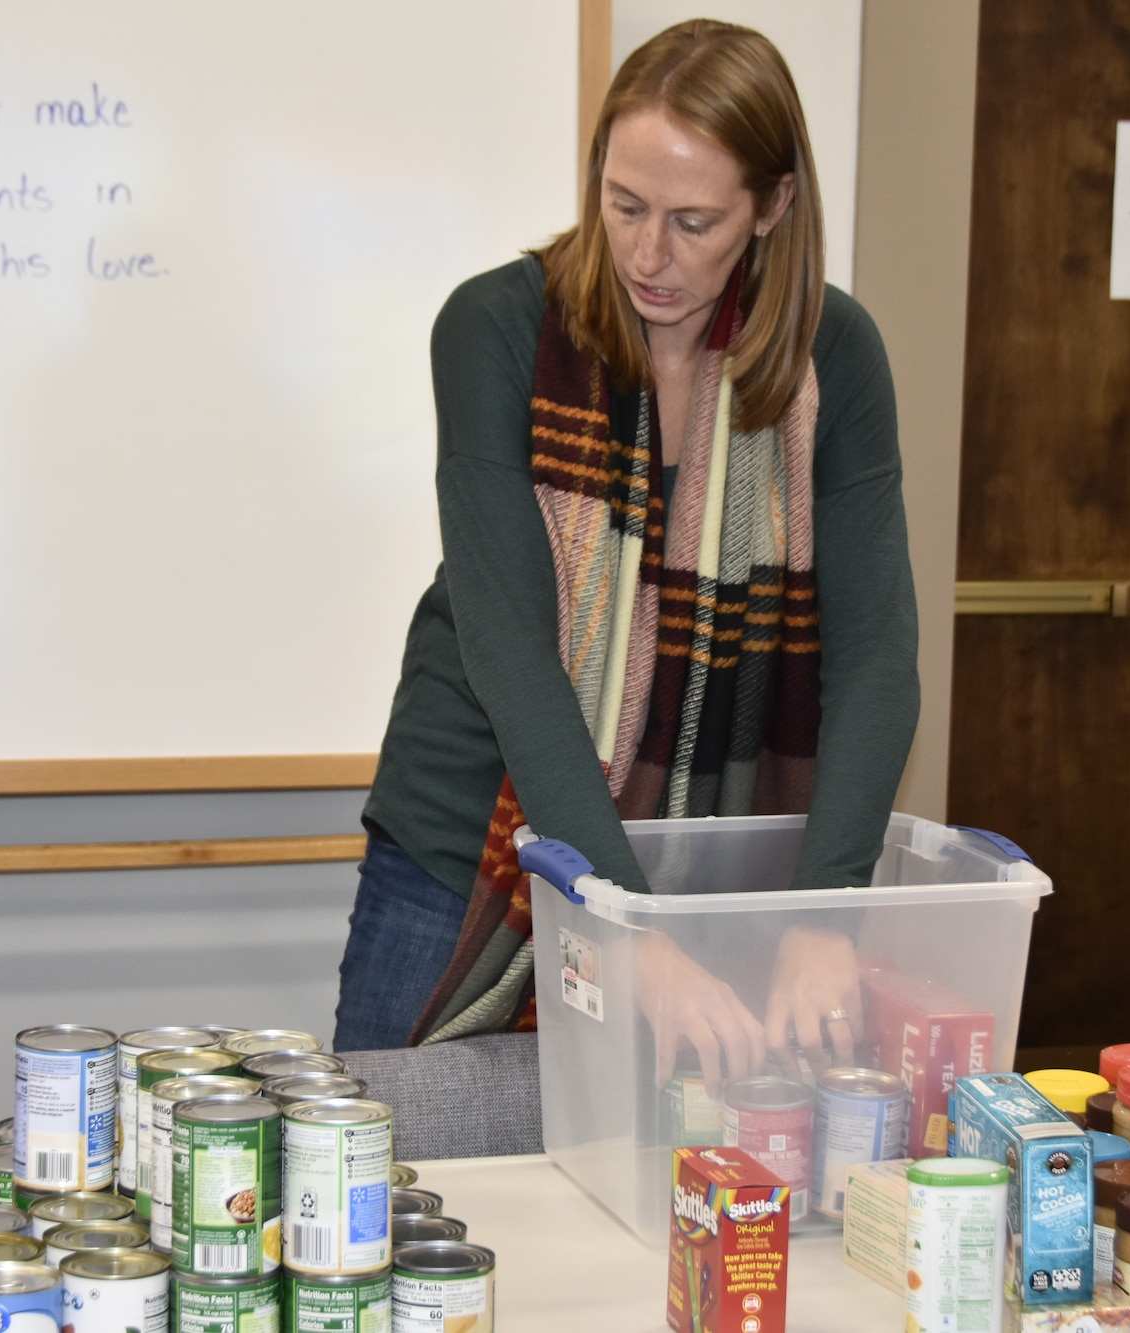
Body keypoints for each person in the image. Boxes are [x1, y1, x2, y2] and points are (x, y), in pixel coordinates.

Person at [333, 20, 918, 1091]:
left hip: (715, 856)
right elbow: (509, 648)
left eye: (694, 222)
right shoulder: (493, 329)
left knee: (677, 1195)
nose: (647, 256)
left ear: (772, 207)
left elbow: (876, 656)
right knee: (389, 1158)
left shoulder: (836, 357)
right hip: (473, 844)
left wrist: (826, 904)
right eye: (624, 205)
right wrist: (622, 926)